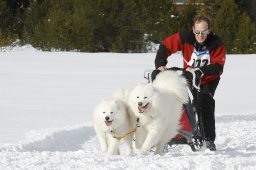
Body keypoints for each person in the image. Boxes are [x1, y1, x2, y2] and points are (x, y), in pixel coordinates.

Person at [151, 15, 226, 151]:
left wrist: (200, 71)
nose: (200, 35)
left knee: (204, 101)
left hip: (209, 79)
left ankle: (208, 139)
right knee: (177, 97)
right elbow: (166, 46)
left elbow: (218, 67)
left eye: (204, 32)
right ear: (193, 29)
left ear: (209, 30)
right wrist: (160, 65)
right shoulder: (185, 37)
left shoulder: (216, 42)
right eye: (197, 32)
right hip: (190, 76)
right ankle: (174, 133)